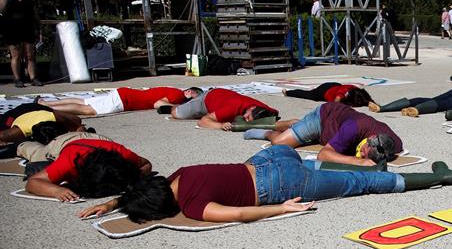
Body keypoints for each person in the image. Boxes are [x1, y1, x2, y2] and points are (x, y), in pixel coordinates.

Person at [77, 147, 452, 223]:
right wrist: (114, 203)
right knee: (322, 167)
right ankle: (372, 165)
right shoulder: (179, 174)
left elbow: (242, 213)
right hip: (269, 157)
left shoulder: (195, 207)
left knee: (358, 184)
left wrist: (282, 207)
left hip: (277, 182)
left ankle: (439, 177)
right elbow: (145, 181)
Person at [242, 102, 403, 168]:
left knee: (302, 131)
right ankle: (269, 131)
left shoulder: (393, 143)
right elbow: (323, 155)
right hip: (322, 119)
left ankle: (296, 125)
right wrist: (357, 161)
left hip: (337, 126)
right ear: (369, 139)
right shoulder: (353, 128)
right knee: (279, 142)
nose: (361, 154)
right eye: (364, 151)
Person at [24, 137, 151, 201]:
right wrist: (56, 190)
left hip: (97, 139)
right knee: (35, 152)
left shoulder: (124, 154)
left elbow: (147, 164)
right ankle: (21, 144)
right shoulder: (68, 162)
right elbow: (32, 182)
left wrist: (136, 175)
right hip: (64, 142)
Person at [39, 86, 201, 117]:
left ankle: (48, 102)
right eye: (194, 98)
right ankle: (47, 106)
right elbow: (158, 104)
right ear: (191, 92)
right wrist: (178, 107)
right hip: (125, 100)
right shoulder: (178, 96)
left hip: (124, 93)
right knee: (88, 110)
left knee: (85, 101)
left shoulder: (173, 90)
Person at [167, 87, 279, 130]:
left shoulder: (266, 110)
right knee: (177, 114)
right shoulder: (232, 108)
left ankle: (195, 96)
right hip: (206, 100)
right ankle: (176, 104)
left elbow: (275, 113)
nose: (245, 120)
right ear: (252, 108)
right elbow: (203, 121)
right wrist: (221, 125)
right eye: (247, 116)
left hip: (223, 96)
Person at [0, 0, 42, 87]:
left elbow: (35, 16)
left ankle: (33, 78)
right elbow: (2, 10)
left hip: (27, 29)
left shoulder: (27, 0)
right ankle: (17, 78)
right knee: (16, 55)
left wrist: (39, 29)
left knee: (29, 55)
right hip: (12, 31)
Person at [0, 103, 85, 145]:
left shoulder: (58, 118)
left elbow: (78, 124)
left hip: (37, 110)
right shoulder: (19, 130)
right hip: (17, 116)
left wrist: (80, 135)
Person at [282, 83, 374, 107]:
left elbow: (366, 99)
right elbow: (335, 103)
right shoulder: (342, 94)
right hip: (324, 91)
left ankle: (288, 92)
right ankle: (288, 92)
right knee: (308, 94)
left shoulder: (356, 90)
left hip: (334, 85)